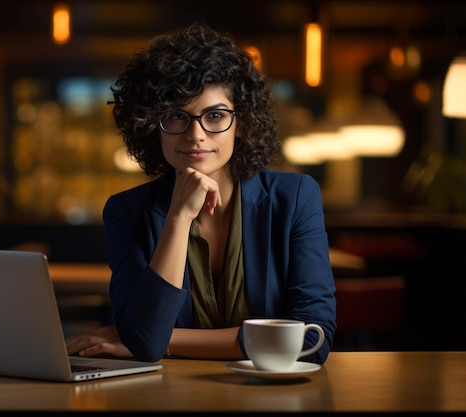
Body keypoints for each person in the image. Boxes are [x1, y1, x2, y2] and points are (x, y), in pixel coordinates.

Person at [65, 22, 336, 363]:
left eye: (216, 115)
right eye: (177, 116)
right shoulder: (127, 211)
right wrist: (178, 217)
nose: (196, 135)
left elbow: (312, 339)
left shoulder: (294, 197)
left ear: (242, 123)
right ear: (152, 126)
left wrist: (165, 339)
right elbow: (145, 342)